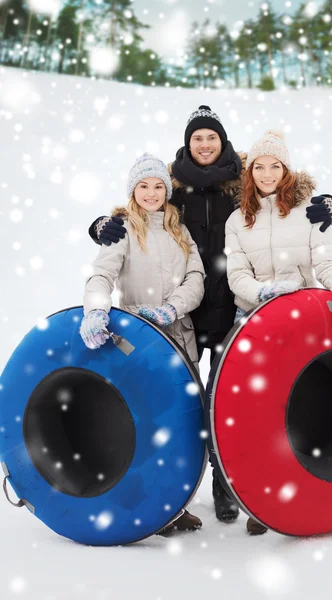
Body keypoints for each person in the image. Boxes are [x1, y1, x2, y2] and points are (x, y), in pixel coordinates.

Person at [87, 106, 332, 524]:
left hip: (235, 306)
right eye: (196, 138)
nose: (204, 144)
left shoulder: (240, 180)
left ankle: (229, 490)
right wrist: (102, 225)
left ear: (223, 142)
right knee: (177, 408)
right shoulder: (172, 186)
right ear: (186, 144)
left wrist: (330, 205)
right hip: (180, 315)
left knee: (234, 407)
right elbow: (139, 214)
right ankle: (171, 498)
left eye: (211, 137)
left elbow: (285, 198)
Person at [225, 130, 332, 534]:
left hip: (300, 323)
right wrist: (262, 293)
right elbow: (236, 275)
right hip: (252, 322)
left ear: (286, 169)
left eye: (275, 165)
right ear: (250, 172)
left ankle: (295, 491)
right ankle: (256, 499)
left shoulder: (310, 212)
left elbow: (326, 261)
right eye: (260, 166)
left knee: (297, 406)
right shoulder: (238, 220)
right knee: (253, 415)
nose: (267, 173)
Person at [80, 153, 205, 534]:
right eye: (143, 186)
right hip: (137, 342)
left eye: (157, 186)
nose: (151, 193)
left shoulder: (180, 231)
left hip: (178, 338)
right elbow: (102, 275)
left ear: (166, 191)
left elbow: (196, 278)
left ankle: (177, 504)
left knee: (183, 425)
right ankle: (148, 507)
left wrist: (172, 309)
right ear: (133, 190)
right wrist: (96, 311)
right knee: (144, 425)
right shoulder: (121, 230)